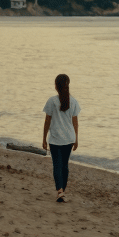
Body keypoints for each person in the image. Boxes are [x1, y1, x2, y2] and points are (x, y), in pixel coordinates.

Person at [42, 73, 81, 203]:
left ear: (56, 87)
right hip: (69, 138)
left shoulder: (52, 101)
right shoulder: (73, 101)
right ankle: (62, 191)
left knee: (57, 165)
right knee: (64, 166)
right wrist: (76, 138)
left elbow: (47, 121)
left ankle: (60, 191)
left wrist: (43, 138)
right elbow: (75, 122)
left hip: (55, 139)